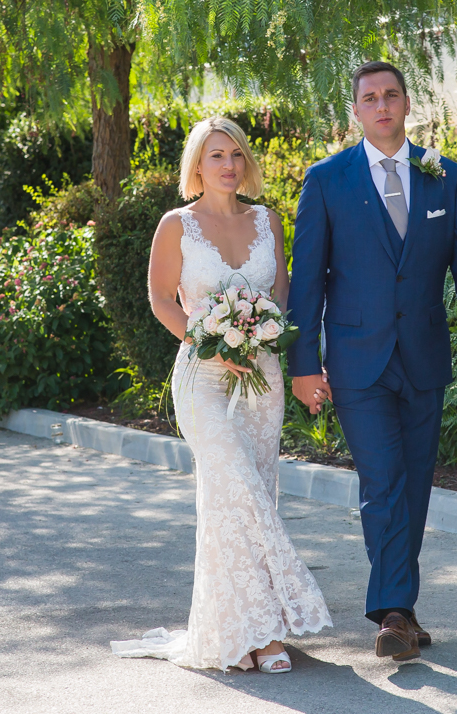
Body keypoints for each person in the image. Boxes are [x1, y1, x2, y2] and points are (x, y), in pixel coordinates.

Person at [288, 61, 457, 662]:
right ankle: (392, 613)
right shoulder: (326, 181)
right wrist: (304, 364)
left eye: (390, 95)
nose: (381, 105)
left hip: (424, 358)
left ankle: (400, 609)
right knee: (382, 483)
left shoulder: (444, 177)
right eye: (368, 98)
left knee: (412, 490)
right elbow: (306, 281)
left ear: (407, 103)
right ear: (355, 111)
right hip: (357, 364)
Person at [112, 118, 332, 673]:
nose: (228, 165)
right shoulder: (176, 225)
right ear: (197, 166)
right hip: (204, 379)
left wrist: (265, 333)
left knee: (245, 492)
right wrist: (209, 340)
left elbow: (281, 297)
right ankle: (268, 627)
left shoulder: (268, 221)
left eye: (236, 154)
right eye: (216, 156)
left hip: (262, 377)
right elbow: (162, 300)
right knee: (236, 483)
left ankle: (240, 629)